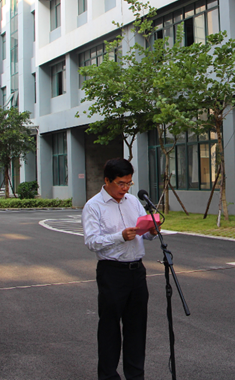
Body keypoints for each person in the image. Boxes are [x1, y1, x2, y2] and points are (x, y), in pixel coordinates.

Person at [82, 158, 158, 380]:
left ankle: (136, 375)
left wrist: (152, 232)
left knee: (137, 328)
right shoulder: (93, 206)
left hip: (137, 271)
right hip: (112, 272)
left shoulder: (132, 201)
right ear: (107, 180)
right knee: (110, 328)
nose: (125, 188)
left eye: (129, 183)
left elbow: (143, 234)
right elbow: (92, 242)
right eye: (121, 183)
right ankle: (108, 376)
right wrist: (120, 236)